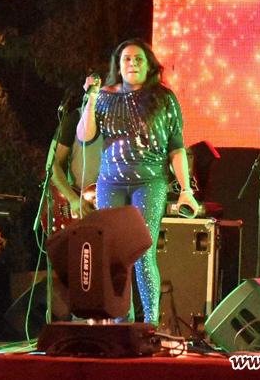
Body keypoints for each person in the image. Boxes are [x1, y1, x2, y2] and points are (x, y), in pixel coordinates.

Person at [76, 38, 199, 326]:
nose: (132, 64)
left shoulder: (164, 98)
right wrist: (91, 98)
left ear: (149, 65)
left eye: (138, 59)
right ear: (118, 66)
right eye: (126, 59)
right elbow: (84, 136)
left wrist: (186, 190)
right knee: (114, 255)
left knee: (143, 251)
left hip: (149, 181)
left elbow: (176, 147)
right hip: (111, 182)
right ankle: (122, 322)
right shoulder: (103, 97)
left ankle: (150, 324)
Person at [50, 103, 102, 220]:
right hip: (81, 208)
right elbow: (53, 165)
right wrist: (73, 199)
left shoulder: (127, 124)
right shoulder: (75, 118)